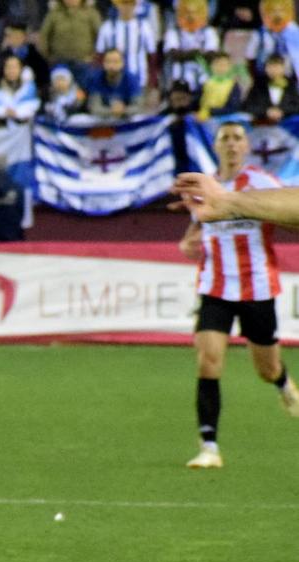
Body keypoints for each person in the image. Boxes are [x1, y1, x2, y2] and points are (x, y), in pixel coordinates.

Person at [173, 121, 299, 469]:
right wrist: (188, 240)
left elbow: (288, 214)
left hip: (256, 286)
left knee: (266, 366)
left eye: (237, 138)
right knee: (208, 360)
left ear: (247, 147)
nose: (231, 144)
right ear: (215, 146)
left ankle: (284, 383)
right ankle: (209, 447)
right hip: (215, 285)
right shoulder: (205, 185)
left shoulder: (260, 183)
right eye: (224, 138)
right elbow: (201, 222)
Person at [40, 0, 102, 85]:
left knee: (84, 89)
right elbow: (44, 36)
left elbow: (100, 36)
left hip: (84, 62)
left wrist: (93, 56)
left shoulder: (91, 13)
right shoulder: (54, 14)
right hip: (60, 62)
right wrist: (48, 56)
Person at [85, 48, 143, 119]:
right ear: (103, 63)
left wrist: (123, 110)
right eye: (108, 61)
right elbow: (94, 108)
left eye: (116, 62)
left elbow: (138, 107)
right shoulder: (97, 78)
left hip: (126, 119)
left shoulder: (131, 79)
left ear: (122, 63)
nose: (111, 66)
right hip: (103, 120)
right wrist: (112, 110)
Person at [0, 53, 41, 122]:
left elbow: (33, 107)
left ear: (21, 69)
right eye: (8, 67)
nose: (12, 70)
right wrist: (4, 111)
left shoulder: (29, 86)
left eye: (15, 67)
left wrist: (17, 113)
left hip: (23, 126)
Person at [244, 53, 299, 122]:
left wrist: (282, 111)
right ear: (265, 68)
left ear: (283, 68)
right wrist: (267, 112)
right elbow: (248, 106)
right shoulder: (258, 84)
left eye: (276, 67)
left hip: (287, 122)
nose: (273, 70)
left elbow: (296, 106)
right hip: (262, 123)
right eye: (270, 66)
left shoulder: (291, 84)